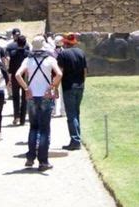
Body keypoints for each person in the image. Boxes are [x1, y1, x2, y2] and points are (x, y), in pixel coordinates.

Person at [15, 35, 62, 171]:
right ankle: (43, 161)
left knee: (33, 127)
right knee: (44, 129)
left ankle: (30, 157)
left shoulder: (27, 60)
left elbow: (18, 75)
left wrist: (26, 88)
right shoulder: (50, 59)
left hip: (32, 96)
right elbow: (59, 74)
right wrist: (52, 87)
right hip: (45, 96)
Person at [57, 33, 87, 151]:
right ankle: (77, 138)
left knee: (71, 114)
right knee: (76, 112)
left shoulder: (63, 54)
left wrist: (54, 86)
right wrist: (82, 83)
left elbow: (60, 72)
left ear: (65, 43)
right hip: (80, 85)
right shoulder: (81, 53)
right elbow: (85, 71)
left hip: (68, 86)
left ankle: (75, 141)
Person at [7, 34, 30, 125]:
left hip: (15, 77)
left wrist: (9, 79)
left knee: (15, 97)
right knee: (25, 98)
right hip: (25, 77)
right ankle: (23, 119)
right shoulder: (28, 53)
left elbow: (11, 67)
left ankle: (16, 116)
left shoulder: (13, 53)